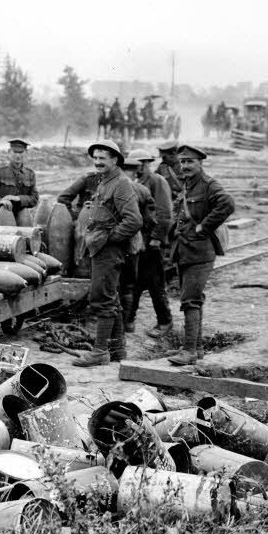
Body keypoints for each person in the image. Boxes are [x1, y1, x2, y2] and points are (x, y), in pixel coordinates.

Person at [72, 140, 143, 368]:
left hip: (109, 250)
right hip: (102, 248)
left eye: (103, 158)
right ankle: (117, 349)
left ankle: (100, 351)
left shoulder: (121, 184)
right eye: (95, 158)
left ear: (115, 160)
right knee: (111, 297)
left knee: (101, 298)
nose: (97, 162)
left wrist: (110, 239)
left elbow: (134, 220)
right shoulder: (106, 181)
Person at [165, 143, 235, 366]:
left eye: (190, 162)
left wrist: (204, 227)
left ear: (200, 163)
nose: (185, 166)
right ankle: (198, 348)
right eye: (182, 162)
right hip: (185, 250)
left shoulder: (208, 184)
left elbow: (227, 204)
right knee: (193, 299)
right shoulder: (188, 184)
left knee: (189, 300)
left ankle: (189, 351)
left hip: (200, 251)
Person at [128, 148, 175, 337]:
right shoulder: (134, 182)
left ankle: (165, 321)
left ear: (147, 164)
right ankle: (129, 320)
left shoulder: (157, 181)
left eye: (142, 164)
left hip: (151, 241)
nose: (138, 168)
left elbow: (165, 213)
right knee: (135, 281)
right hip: (137, 241)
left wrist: (157, 238)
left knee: (155, 283)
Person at [113, 154, 152, 334]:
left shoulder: (112, 187)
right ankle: (127, 323)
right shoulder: (142, 189)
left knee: (114, 283)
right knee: (128, 284)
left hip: (113, 241)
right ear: (135, 171)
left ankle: (116, 325)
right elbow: (149, 218)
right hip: (134, 242)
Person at [0, 138, 39, 227]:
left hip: (20, 218)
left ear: (26, 153)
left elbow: (34, 199)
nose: (18, 156)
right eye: (15, 152)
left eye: (21, 152)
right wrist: (0, 201)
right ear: (9, 152)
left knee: (25, 215)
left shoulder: (30, 174)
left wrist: (18, 199)